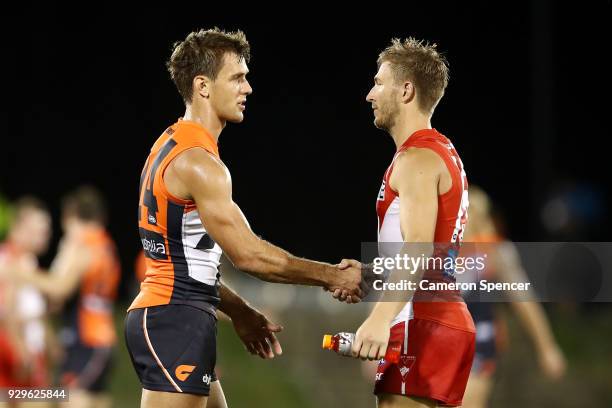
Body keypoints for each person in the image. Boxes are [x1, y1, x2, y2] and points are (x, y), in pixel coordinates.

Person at [124, 28, 363, 408]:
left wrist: (240, 311)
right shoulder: (201, 164)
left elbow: (190, 264)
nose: (248, 88)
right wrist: (333, 275)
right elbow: (250, 256)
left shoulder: (171, 143)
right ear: (203, 86)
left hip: (174, 314)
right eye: (237, 77)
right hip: (174, 319)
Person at [339, 38, 475, 407]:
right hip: (436, 315)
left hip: (423, 318)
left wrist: (381, 317)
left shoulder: (417, 158)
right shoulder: (437, 151)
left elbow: (418, 249)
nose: (370, 94)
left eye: (379, 83)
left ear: (406, 90)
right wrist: (372, 273)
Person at [9, 187, 121, 408]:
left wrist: (22, 274)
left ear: (70, 216)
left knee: (70, 398)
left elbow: (61, 288)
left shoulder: (83, 245)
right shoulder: (105, 244)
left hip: (87, 337)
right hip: (99, 336)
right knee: (94, 399)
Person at [461, 186, 566, 408]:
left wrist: (547, 348)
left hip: (479, 339)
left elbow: (524, 301)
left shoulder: (496, 252)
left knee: (468, 401)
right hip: (435, 340)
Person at [0, 197, 54, 408]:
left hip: (25, 351)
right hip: (18, 353)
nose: (44, 237)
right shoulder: (14, 261)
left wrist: (49, 341)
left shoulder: (25, 260)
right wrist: (21, 350)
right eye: (39, 231)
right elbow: (8, 310)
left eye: (46, 230)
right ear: (19, 227)